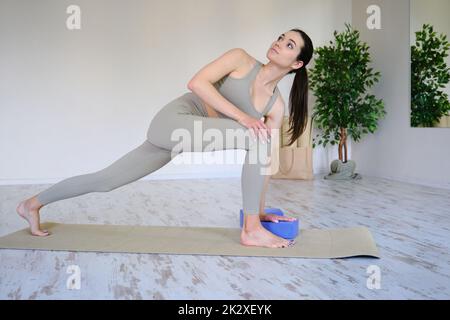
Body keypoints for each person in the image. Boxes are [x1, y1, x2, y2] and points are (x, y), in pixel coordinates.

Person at [16, 29, 314, 248]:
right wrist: (244, 117)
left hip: (190, 136)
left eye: (289, 44)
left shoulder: (275, 106)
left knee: (105, 180)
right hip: (175, 121)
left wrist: (261, 211)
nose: (278, 43)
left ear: (296, 63)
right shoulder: (240, 60)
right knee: (255, 134)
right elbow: (196, 83)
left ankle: (32, 204)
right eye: (280, 37)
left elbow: (262, 162)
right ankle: (250, 231)